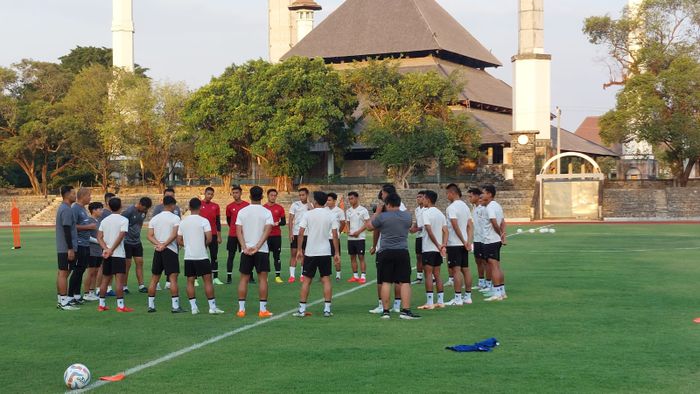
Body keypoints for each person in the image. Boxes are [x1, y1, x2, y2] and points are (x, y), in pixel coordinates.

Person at [366, 193, 421, 320]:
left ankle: (385, 311)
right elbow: (407, 227)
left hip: (385, 251)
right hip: (402, 251)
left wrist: (377, 212)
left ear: (388, 204)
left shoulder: (383, 217)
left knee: (386, 281)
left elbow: (369, 227)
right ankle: (405, 310)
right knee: (405, 282)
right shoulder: (407, 216)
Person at [293, 191, 340, 318]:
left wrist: (299, 250)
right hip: (325, 251)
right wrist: (336, 252)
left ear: (315, 201)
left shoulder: (308, 214)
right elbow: (335, 235)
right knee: (326, 280)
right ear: (325, 201)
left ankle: (302, 310)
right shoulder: (331, 215)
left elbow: (301, 232)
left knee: (307, 280)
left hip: (311, 252)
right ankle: (327, 310)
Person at [178, 198, 224, 315]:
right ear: (200, 207)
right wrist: (202, 245)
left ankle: (194, 308)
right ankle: (212, 307)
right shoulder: (204, 221)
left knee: (190, 281)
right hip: (201, 256)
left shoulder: (183, 222)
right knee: (208, 281)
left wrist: (187, 245)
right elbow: (209, 238)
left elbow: (179, 240)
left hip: (189, 256)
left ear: (189, 207)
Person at [235, 186, 274, 318]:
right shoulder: (266, 212)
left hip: (246, 250)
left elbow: (238, 230)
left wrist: (244, 247)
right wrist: (257, 246)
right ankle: (262, 310)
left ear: (249, 196)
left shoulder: (242, 211)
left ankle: (241, 310)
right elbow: (267, 231)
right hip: (261, 250)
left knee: (243, 279)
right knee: (263, 279)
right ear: (262, 196)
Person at [369, 184, 405, 314]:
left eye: (383, 193)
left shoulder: (384, 209)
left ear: (387, 194)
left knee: (383, 279)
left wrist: (374, 245)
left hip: (385, 248)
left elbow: (373, 227)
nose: (381, 195)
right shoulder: (402, 207)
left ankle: (382, 305)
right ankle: (397, 305)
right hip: (401, 248)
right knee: (399, 279)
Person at [146, 196, 184, 313]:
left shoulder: (154, 219)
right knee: (173, 278)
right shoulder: (175, 218)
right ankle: (175, 306)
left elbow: (149, 236)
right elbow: (174, 235)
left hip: (158, 250)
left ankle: (151, 306)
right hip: (170, 250)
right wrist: (165, 244)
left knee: (154, 278)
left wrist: (159, 244)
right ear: (172, 205)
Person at [97, 197, 133, 312]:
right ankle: (121, 306)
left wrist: (106, 249)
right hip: (118, 254)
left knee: (105, 280)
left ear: (109, 206)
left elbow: (99, 237)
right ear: (120, 206)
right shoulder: (123, 220)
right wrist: (111, 249)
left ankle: (101, 305)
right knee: (119, 281)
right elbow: (121, 235)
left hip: (107, 255)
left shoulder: (104, 220)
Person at [418, 190, 448, 310]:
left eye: (424, 198)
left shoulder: (426, 213)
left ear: (428, 200)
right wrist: (443, 245)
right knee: (438, 275)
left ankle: (430, 302)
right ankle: (440, 301)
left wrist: (437, 244)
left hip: (429, 248)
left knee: (429, 275)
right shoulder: (440, 214)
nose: (422, 201)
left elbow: (429, 231)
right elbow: (446, 231)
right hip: (438, 250)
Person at [444, 184, 473, 306]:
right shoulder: (465, 206)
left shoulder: (451, 208)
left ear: (452, 193)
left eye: (447, 194)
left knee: (456, 270)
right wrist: (468, 242)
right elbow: (470, 225)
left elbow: (455, 226)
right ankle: (468, 296)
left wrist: (463, 240)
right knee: (465, 269)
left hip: (455, 243)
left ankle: (458, 298)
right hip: (464, 244)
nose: (447, 196)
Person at [481, 185, 507, 302]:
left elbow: (494, 222)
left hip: (490, 240)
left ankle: (497, 293)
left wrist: (500, 233)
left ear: (490, 194)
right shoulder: (497, 206)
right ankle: (502, 291)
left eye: (484, 193)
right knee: (497, 266)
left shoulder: (490, 207)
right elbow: (503, 221)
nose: (482, 195)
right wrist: (502, 235)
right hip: (495, 240)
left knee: (493, 267)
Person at [152, 187, 181, 292]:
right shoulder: (158, 210)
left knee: (169, 273)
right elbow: (154, 228)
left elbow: (177, 230)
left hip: (167, 245)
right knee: (169, 274)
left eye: (172, 195)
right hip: (163, 245)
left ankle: (151, 304)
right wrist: (161, 244)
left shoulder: (177, 209)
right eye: (168, 195)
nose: (170, 197)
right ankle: (175, 304)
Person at [122, 197, 153, 293]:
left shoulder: (144, 212)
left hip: (137, 242)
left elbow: (140, 224)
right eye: (144, 208)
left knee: (139, 262)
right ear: (139, 204)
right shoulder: (129, 211)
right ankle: (124, 287)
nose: (145, 210)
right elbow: (121, 224)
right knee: (127, 264)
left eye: (146, 209)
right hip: (127, 242)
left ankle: (141, 286)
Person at [55, 186, 79, 310]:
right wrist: (70, 248)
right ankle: (64, 301)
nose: (75, 196)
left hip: (63, 247)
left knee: (61, 273)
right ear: (67, 194)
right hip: (66, 248)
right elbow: (66, 229)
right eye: (73, 193)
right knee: (64, 273)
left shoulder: (64, 208)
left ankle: (61, 300)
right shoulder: (66, 209)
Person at [68, 188, 93, 305]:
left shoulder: (83, 208)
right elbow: (73, 226)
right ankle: (70, 296)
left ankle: (77, 295)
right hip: (79, 244)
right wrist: (89, 227)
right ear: (83, 196)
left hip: (85, 243)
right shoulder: (75, 209)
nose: (90, 198)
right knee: (77, 271)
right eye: (89, 195)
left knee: (82, 270)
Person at [225, 185, 249, 284]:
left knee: (247, 255)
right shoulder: (229, 206)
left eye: (237, 193)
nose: (235, 194)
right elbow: (229, 220)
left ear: (241, 193)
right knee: (231, 256)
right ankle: (229, 277)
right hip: (232, 235)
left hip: (244, 235)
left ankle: (249, 276)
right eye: (233, 193)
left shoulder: (247, 205)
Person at [467, 188, 489, 292]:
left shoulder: (483, 208)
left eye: (470, 196)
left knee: (486, 262)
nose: (469, 199)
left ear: (476, 196)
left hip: (484, 239)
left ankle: (489, 284)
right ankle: (481, 282)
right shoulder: (474, 208)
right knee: (478, 261)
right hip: (477, 239)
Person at [345, 191, 370, 284]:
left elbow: (367, 223)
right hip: (350, 238)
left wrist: (358, 232)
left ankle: (363, 276)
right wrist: (348, 230)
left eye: (352, 198)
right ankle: (355, 276)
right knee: (352, 257)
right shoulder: (348, 211)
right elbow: (347, 222)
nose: (350, 201)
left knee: (361, 257)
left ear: (357, 198)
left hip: (360, 238)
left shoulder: (363, 210)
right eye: (349, 199)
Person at [288, 188, 312, 283]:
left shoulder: (311, 206)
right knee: (293, 254)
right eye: (300, 195)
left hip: (307, 234)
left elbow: (313, 215)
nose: (301, 197)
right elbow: (290, 219)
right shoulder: (295, 205)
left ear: (307, 195)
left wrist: (310, 205)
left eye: (303, 195)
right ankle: (292, 275)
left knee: (304, 254)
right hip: (296, 233)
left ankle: (302, 274)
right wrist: (290, 232)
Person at [199, 187, 223, 284]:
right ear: (204, 193)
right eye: (208, 193)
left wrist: (219, 236)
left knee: (214, 256)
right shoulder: (199, 204)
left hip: (213, 234)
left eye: (211, 194)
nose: (210, 196)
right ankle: (196, 278)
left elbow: (217, 222)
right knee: (200, 256)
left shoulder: (216, 206)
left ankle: (215, 278)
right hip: (201, 234)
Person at [82, 202, 104, 302]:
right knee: (90, 272)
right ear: (94, 210)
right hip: (91, 250)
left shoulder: (99, 221)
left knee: (95, 272)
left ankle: (92, 292)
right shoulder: (89, 221)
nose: (101, 211)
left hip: (98, 251)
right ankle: (86, 293)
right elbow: (88, 237)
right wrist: (99, 241)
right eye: (100, 209)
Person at [264, 189, 286, 283]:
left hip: (276, 236)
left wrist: (277, 223)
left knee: (277, 256)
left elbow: (284, 222)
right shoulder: (263, 208)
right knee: (265, 256)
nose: (273, 197)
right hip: (266, 236)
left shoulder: (280, 208)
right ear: (267, 196)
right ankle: (266, 276)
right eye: (271, 195)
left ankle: (277, 276)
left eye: (275, 195)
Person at [98, 192, 116, 296]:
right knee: (102, 267)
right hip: (105, 243)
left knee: (111, 266)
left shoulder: (111, 213)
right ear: (107, 201)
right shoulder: (104, 213)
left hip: (111, 243)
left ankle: (108, 288)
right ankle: (98, 288)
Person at [326, 193, 346, 281]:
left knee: (336, 256)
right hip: (325, 238)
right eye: (327, 200)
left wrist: (338, 232)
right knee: (325, 258)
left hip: (334, 238)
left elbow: (343, 223)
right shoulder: (324, 210)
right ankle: (325, 274)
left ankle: (338, 275)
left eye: (329, 200)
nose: (328, 202)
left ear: (334, 201)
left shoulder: (339, 211)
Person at [409, 191, 427, 284]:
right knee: (418, 256)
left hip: (426, 236)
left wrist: (416, 229)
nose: (418, 198)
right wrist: (413, 227)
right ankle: (419, 278)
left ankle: (432, 278)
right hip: (419, 236)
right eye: (417, 197)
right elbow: (417, 221)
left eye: (420, 197)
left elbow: (426, 224)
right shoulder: (417, 210)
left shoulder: (427, 209)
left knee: (427, 257)